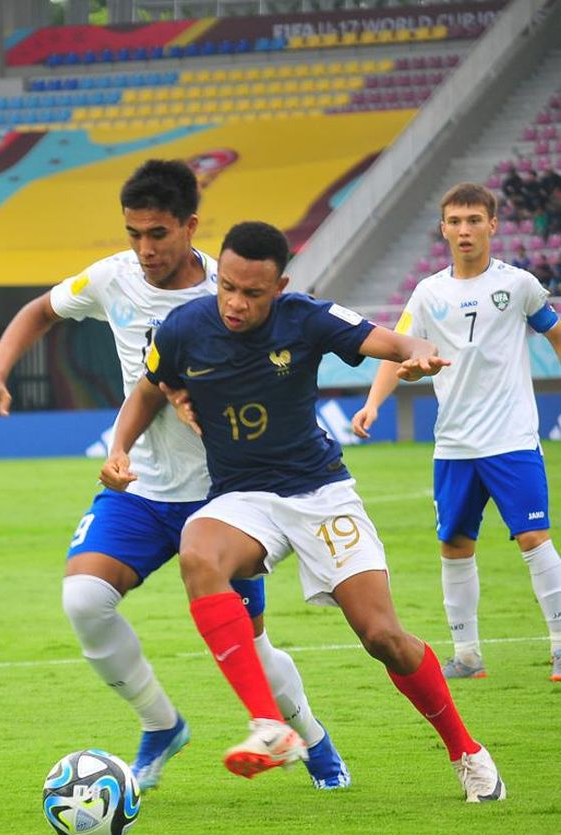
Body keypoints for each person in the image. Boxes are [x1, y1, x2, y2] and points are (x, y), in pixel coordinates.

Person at [0, 160, 349, 792]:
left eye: (158, 234)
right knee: (84, 599)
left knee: (249, 643)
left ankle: (311, 735)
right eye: (134, 232)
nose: (144, 249)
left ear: (190, 227)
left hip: (227, 496)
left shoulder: (234, 291)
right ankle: (161, 724)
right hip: (142, 487)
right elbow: (39, 310)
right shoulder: (112, 278)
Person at [109, 220, 503, 802]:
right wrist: (119, 448)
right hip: (244, 497)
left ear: (281, 285)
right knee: (198, 551)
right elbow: (148, 388)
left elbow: (389, 342)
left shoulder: (307, 317)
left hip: (321, 493)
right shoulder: (183, 328)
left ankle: (466, 751)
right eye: (229, 288)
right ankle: (269, 725)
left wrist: (419, 351)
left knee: (382, 636)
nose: (236, 303)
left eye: (253, 293)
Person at [352, 182, 561, 683]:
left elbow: (555, 334)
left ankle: (559, 647)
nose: (464, 229)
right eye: (455, 221)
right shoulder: (429, 293)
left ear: (492, 224)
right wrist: (373, 403)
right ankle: (467, 656)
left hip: (511, 439)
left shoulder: (521, 285)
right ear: (443, 228)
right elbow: (398, 349)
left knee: (533, 536)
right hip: (454, 444)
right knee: (454, 546)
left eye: (473, 220)